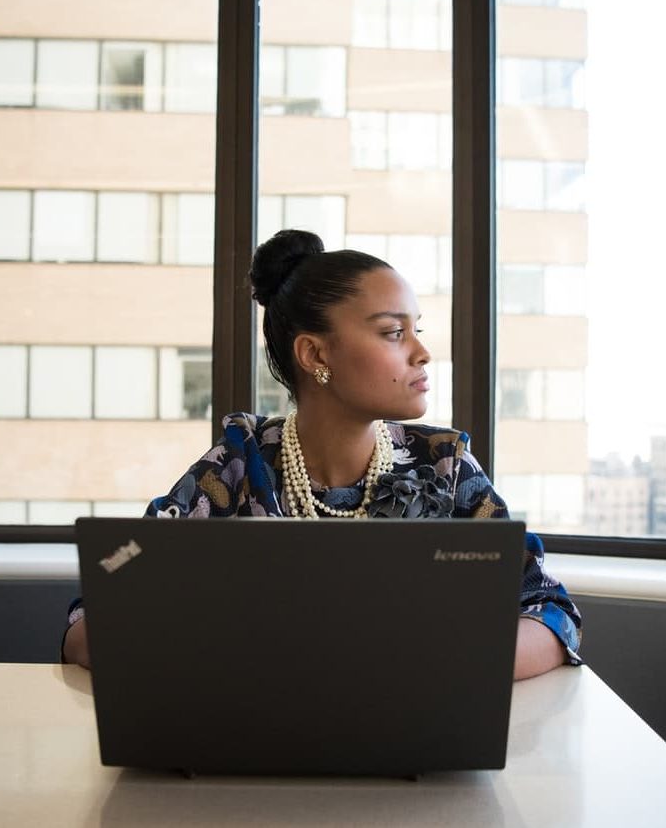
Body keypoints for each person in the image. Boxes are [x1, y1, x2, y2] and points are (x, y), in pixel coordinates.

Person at [63, 229, 582, 677]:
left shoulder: (445, 466)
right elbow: (100, 601)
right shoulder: (238, 465)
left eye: (415, 330)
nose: (422, 352)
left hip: (416, 753)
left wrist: (439, 665)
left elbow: (551, 611)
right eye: (393, 332)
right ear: (315, 354)